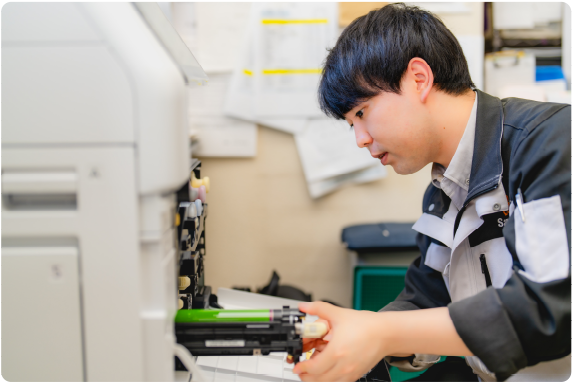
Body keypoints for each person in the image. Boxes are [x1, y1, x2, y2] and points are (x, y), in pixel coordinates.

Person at [288, 3, 572, 382]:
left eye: (362, 113)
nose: (360, 139)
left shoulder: (551, 144)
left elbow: (547, 312)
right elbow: (428, 299)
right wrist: (358, 334)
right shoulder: (441, 191)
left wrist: (380, 334)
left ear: (419, 79)